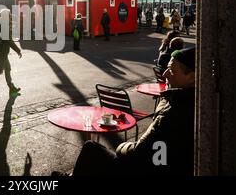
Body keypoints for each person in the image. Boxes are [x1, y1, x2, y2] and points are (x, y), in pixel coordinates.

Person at [69, 47, 196, 176]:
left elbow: (139, 153)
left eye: (172, 71)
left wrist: (121, 147)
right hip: (157, 163)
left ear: (192, 77)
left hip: (143, 168)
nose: (165, 74)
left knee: (91, 149)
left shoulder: (174, 112)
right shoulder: (191, 102)